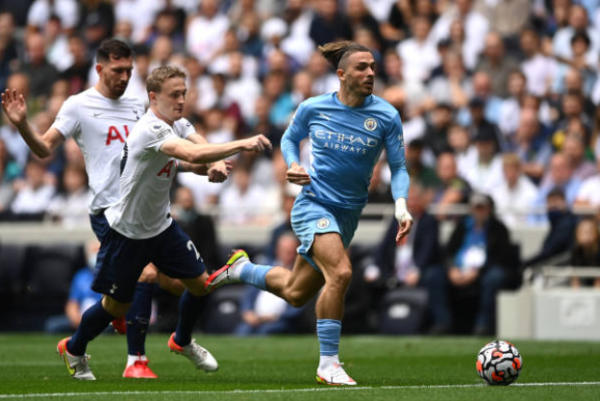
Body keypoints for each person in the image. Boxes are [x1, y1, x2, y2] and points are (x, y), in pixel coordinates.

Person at [1, 39, 228, 379]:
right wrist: (22, 125)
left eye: (129, 71)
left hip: (151, 211)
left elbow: (162, 149)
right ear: (99, 69)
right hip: (111, 213)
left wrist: (201, 164)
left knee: (177, 288)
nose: (124, 77)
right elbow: (45, 149)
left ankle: (82, 345)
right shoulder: (79, 106)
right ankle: (136, 360)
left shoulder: (140, 106)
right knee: (146, 275)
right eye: (117, 70)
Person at [205, 41, 413, 386]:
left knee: (295, 291)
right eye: (362, 67)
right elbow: (289, 139)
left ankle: (241, 268)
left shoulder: (387, 115)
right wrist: (293, 164)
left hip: (347, 216)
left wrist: (402, 206)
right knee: (342, 273)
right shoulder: (313, 107)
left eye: (373, 66)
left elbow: (399, 167)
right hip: (312, 205)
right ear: (342, 74)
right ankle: (328, 364)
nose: (371, 73)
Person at [53, 64, 270, 380]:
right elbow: (190, 153)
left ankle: (181, 341)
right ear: (153, 97)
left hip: (161, 227)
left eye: (183, 93)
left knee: (200, 284)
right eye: (174, 95)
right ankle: (74, 347)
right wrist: (239, 144)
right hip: (126, 232)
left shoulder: (176, 122)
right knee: (115, 308)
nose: (181, 100)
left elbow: (198, 144)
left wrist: (215, 164)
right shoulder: (150, 129)